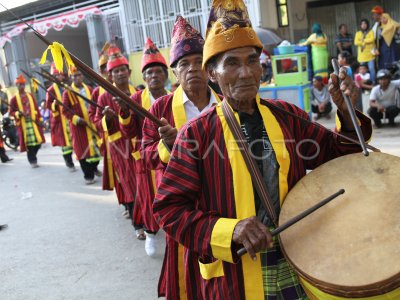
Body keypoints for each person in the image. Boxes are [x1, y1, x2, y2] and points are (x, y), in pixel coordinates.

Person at [152, 1, 372, 299]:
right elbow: (169, 209)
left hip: (299, 256)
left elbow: (342, 156)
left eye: (252, 61)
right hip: (237, 274)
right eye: (231, 63)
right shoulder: (196, 134)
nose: (245, 73)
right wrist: (230, 230)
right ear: (212, 75)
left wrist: (346, 111)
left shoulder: (287, 116)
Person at [141, 16, 220, 299]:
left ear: (210, 68)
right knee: (188, 270)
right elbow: (146, 157)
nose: (191, 69)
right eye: (183, 64)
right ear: (174, 73)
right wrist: (166, 145)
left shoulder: (224, 103)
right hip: (184, 205)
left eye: (198, 61)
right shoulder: (161, 108)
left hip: (222, 199)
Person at [119, 38, 170, 257]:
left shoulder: (173, 98)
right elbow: (128, 132)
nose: (154, 77)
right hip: (146, 159)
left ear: (165, 75)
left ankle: (172, 232)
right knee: (148, 199)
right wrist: (123, 112)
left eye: (158, 72)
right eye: (149, 74)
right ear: (144, 78)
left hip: (169, 158)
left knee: (171, 197)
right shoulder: (135, 99)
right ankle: (150, 233)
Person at [94, 45, 146, 240]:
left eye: (123, 69)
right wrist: (107, 118)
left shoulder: (138, 92)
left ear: (129, 72)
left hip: (138, 143)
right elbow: (97, 122)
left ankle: (150, 218)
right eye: (116, 71)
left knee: (145, 183)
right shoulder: (104, 97)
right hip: (119, 147)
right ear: (110, 76)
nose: (120, 73)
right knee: (131, 185)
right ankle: (137, 224)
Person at [62, 67, 101, 184]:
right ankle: (88, 176)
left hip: (92, 124)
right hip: (79, 128)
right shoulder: (67, 92)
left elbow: (95, 105)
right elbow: (65, 111)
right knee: (82, 152)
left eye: (79, 75)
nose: (77, 78)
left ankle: (94, 167)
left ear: (82, 76)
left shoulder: (89, 89)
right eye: (74, 76)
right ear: (71, 78)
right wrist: (76, 119)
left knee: (96, 152)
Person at [9, 75, 45, 168]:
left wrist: (40, 119)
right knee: (29, 144)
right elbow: (11, 112)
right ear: (16, 85)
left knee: (38, 143)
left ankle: (34, 155)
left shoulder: (30, 96)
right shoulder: (13, 99)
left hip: (34, 122)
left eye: (23, 84)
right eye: (20, 85)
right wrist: (18, 113)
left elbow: (36, 108)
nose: (22, 86)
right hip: (23, 124)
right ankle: (32, 160)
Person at [45, 63, 75, 171]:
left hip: (70, 117)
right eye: (56, 75)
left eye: (60, 75)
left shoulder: (67, 87)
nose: (58, 77)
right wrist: (55, 104)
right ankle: (69, 162)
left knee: (75, 140)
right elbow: (48, 105)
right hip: (60, 121)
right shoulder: (50, 90)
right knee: (65, 145)